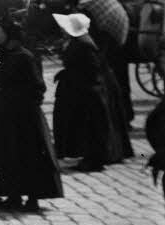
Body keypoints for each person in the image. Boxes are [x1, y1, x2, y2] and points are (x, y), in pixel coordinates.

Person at [0, 18, 62, 211]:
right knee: (9, 157)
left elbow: (38, 88)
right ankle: (13, 196)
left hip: (24, 118)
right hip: (8, 116)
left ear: (9, 35)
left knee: (28, 157)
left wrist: (14, 98)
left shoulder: (24, 56)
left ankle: (32, 198)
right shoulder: (4, 54)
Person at [51, 13, 130, 171]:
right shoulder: (78, 41)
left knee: (92, 129)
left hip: (89, 92)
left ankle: (94, 160)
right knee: (84, 128)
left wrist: (69, 74)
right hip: (82, 90)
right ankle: (88, 157)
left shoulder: (84, 45)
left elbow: (91, 69)